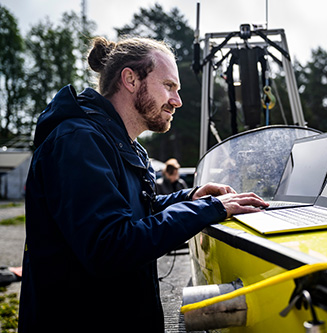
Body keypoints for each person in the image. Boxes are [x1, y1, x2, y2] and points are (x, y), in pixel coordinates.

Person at [18, 36, 268, 332]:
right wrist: (208, 210)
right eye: (168, 86)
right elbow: (110, 245)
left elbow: (137, 212)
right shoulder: (78, 141)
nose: (177, 100)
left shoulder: (124, 145)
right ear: (130, 80)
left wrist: (192, 198)